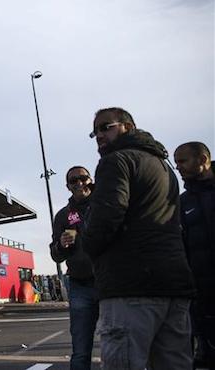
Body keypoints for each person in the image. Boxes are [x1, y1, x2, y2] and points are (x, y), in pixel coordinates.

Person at [81, 107, 196, 369]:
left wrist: (89, 246)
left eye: (105, 127)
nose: (99, 135)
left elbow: (107, 218)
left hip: (131, 286)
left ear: (128, 127)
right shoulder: (164, 167)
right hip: (174, 285)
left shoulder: (116, 161)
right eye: (94, 131)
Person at [49, 166, 99, 370]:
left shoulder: (106, 205)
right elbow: (55, 254)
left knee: (119, 340)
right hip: (80, 285)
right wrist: (61, 244)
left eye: (83, 178)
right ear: (68, 187)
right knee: (80, 347)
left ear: (90, 179)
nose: (79, 183)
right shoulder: (63, 216)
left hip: (111, 282)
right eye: (73, 181)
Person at [174, 141, 215, 368]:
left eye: (183, 161)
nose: (178, 167)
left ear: (202, 160)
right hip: (202, 292)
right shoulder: (183, 202)